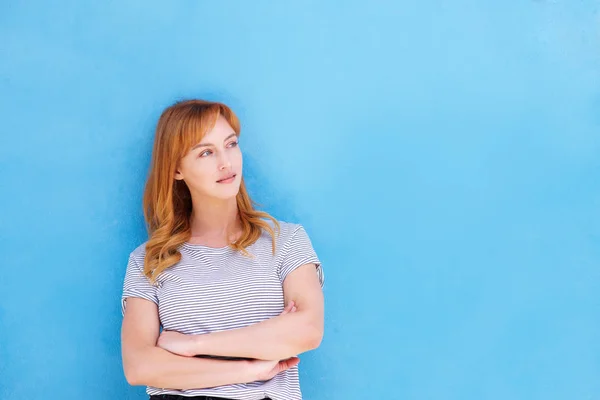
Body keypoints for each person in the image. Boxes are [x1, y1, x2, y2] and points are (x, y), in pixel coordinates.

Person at [120, 99, 325, 400]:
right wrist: (251, 369)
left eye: (230, 144)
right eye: (206, 152)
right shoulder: (149, 260)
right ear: (176, 169)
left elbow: (307, 331)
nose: (225, 162)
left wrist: (194, 346)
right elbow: (139, 366)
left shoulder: (286, 240)